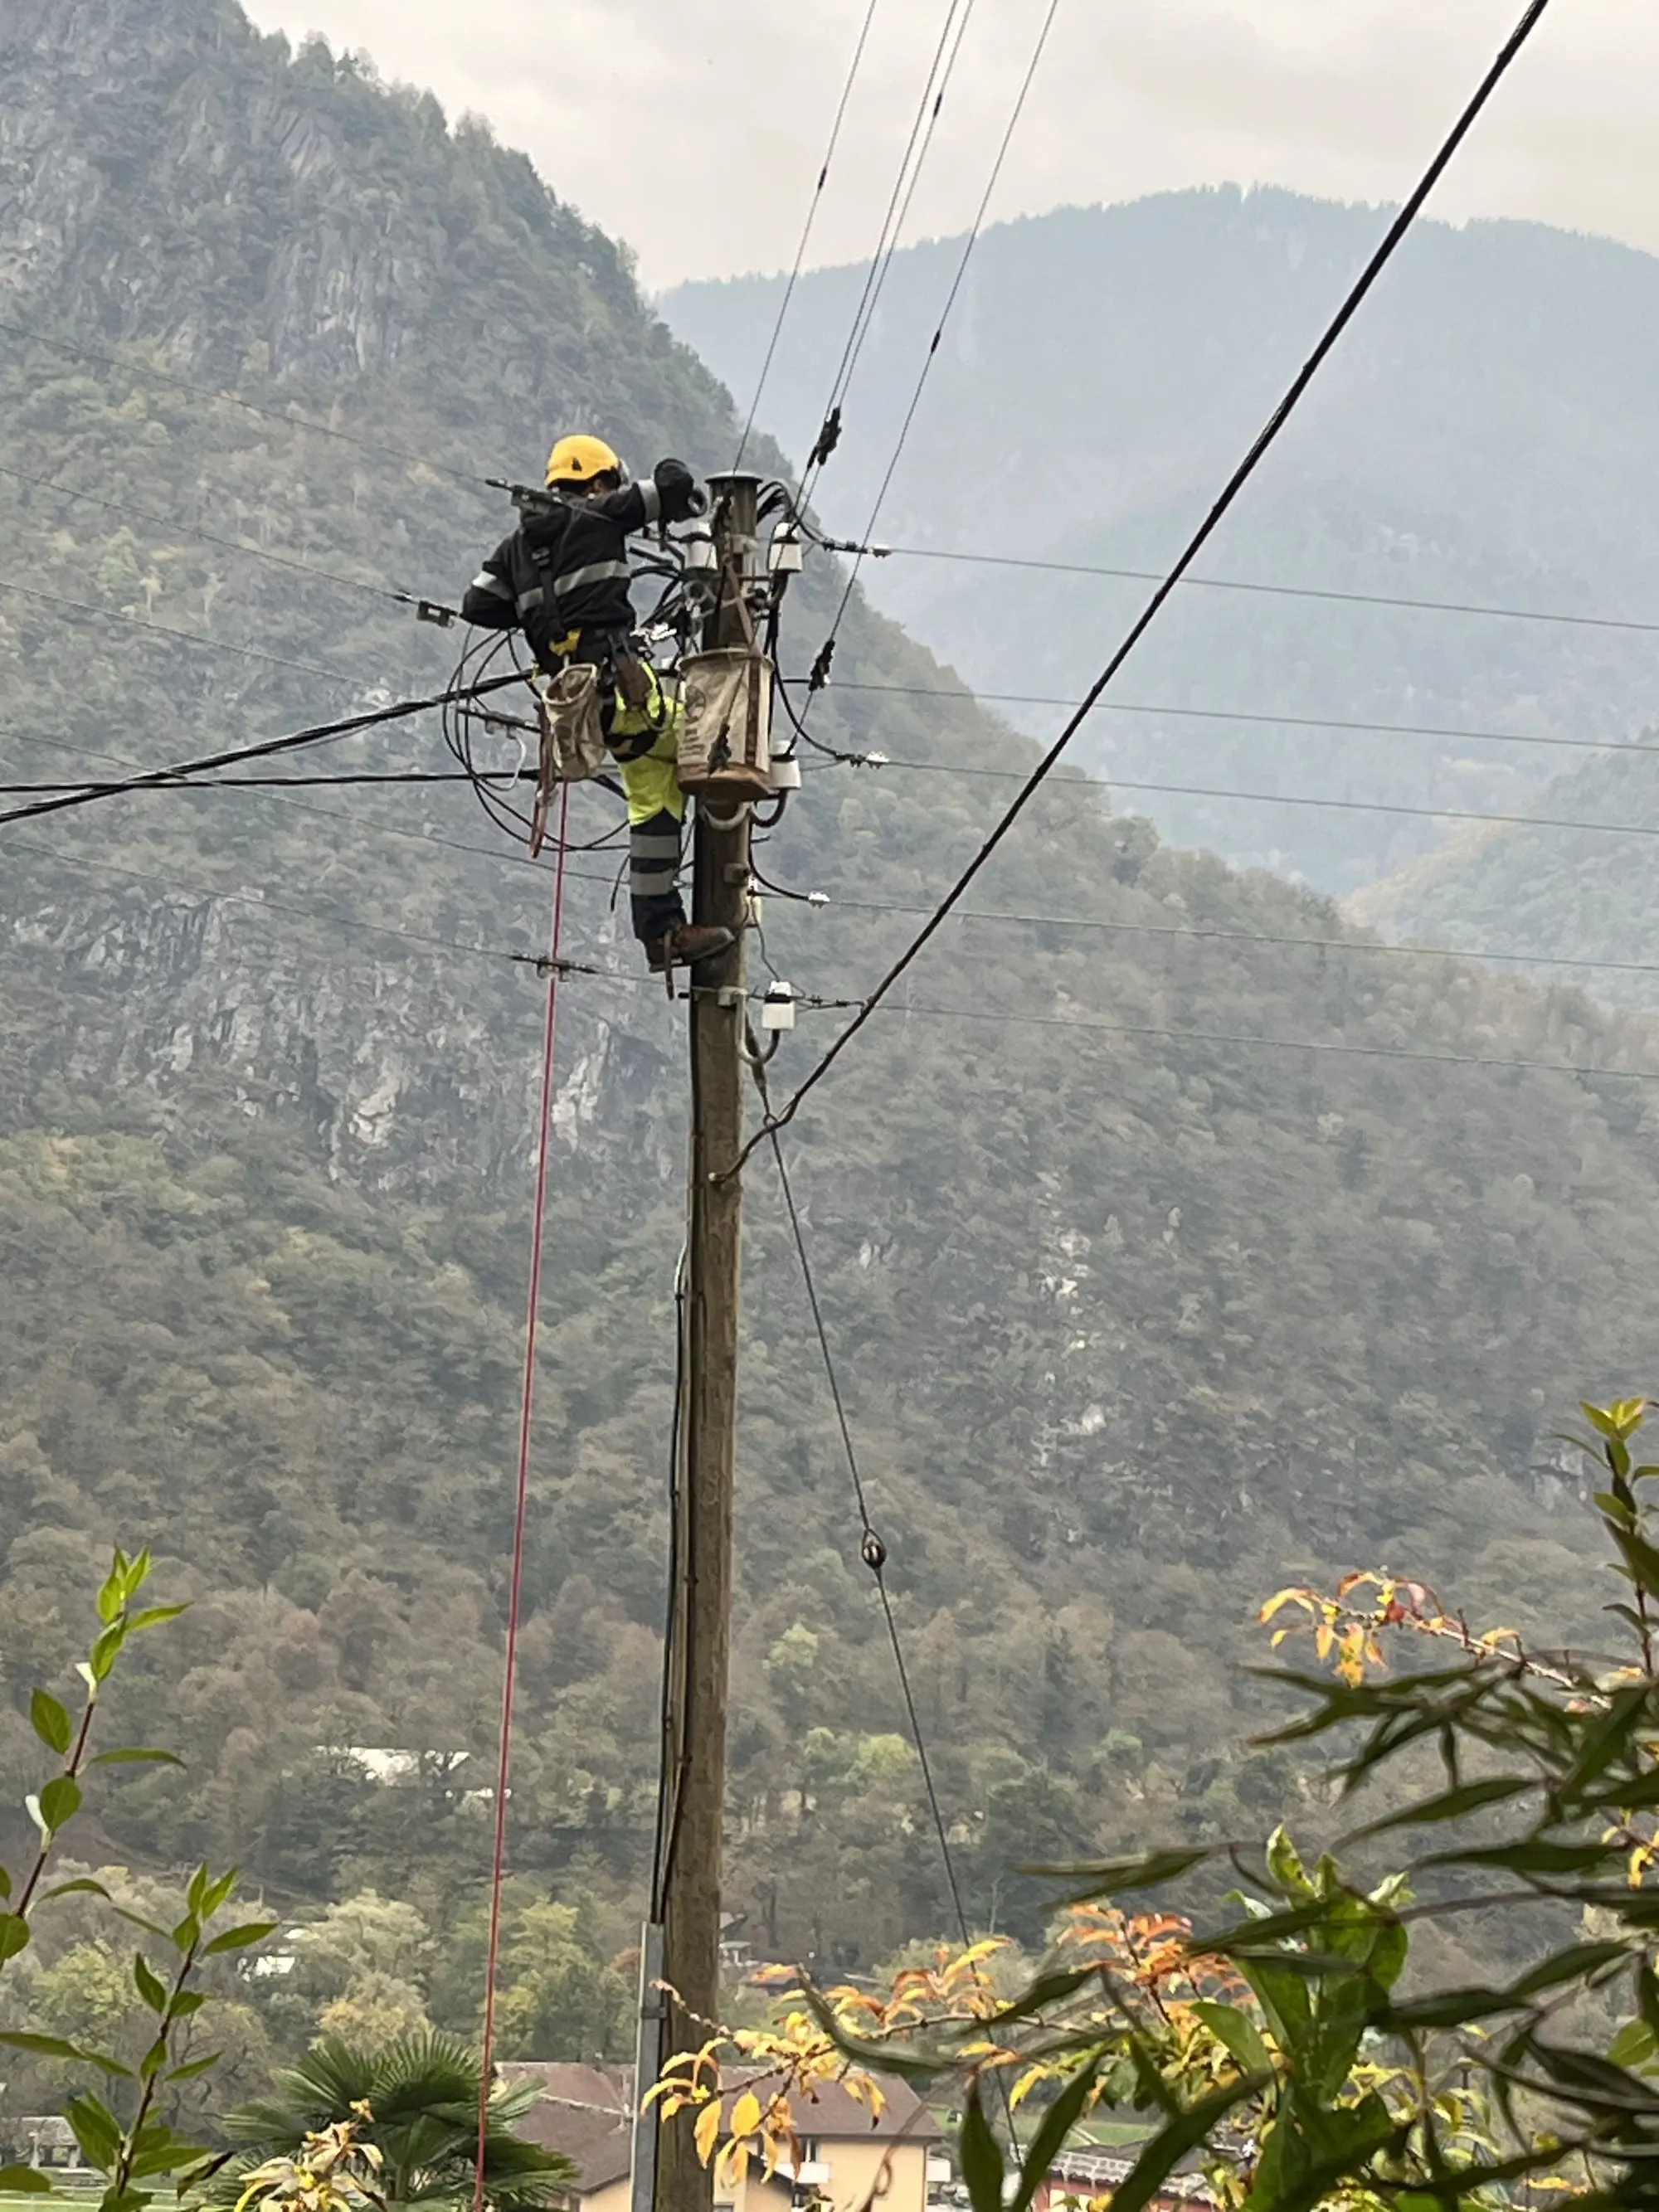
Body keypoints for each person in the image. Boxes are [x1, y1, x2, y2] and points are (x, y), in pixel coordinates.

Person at [460, 433, 733, 973]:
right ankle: (727, 874)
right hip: (626, 694)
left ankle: (664, 936)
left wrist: (541, 606)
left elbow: (477, 604)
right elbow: (673, 486)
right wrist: (681, 496)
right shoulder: (603, 513)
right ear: (599, 479)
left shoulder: (517, 548)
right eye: (611, 482)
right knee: (723, 738)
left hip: (582, 711)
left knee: (654, 794)